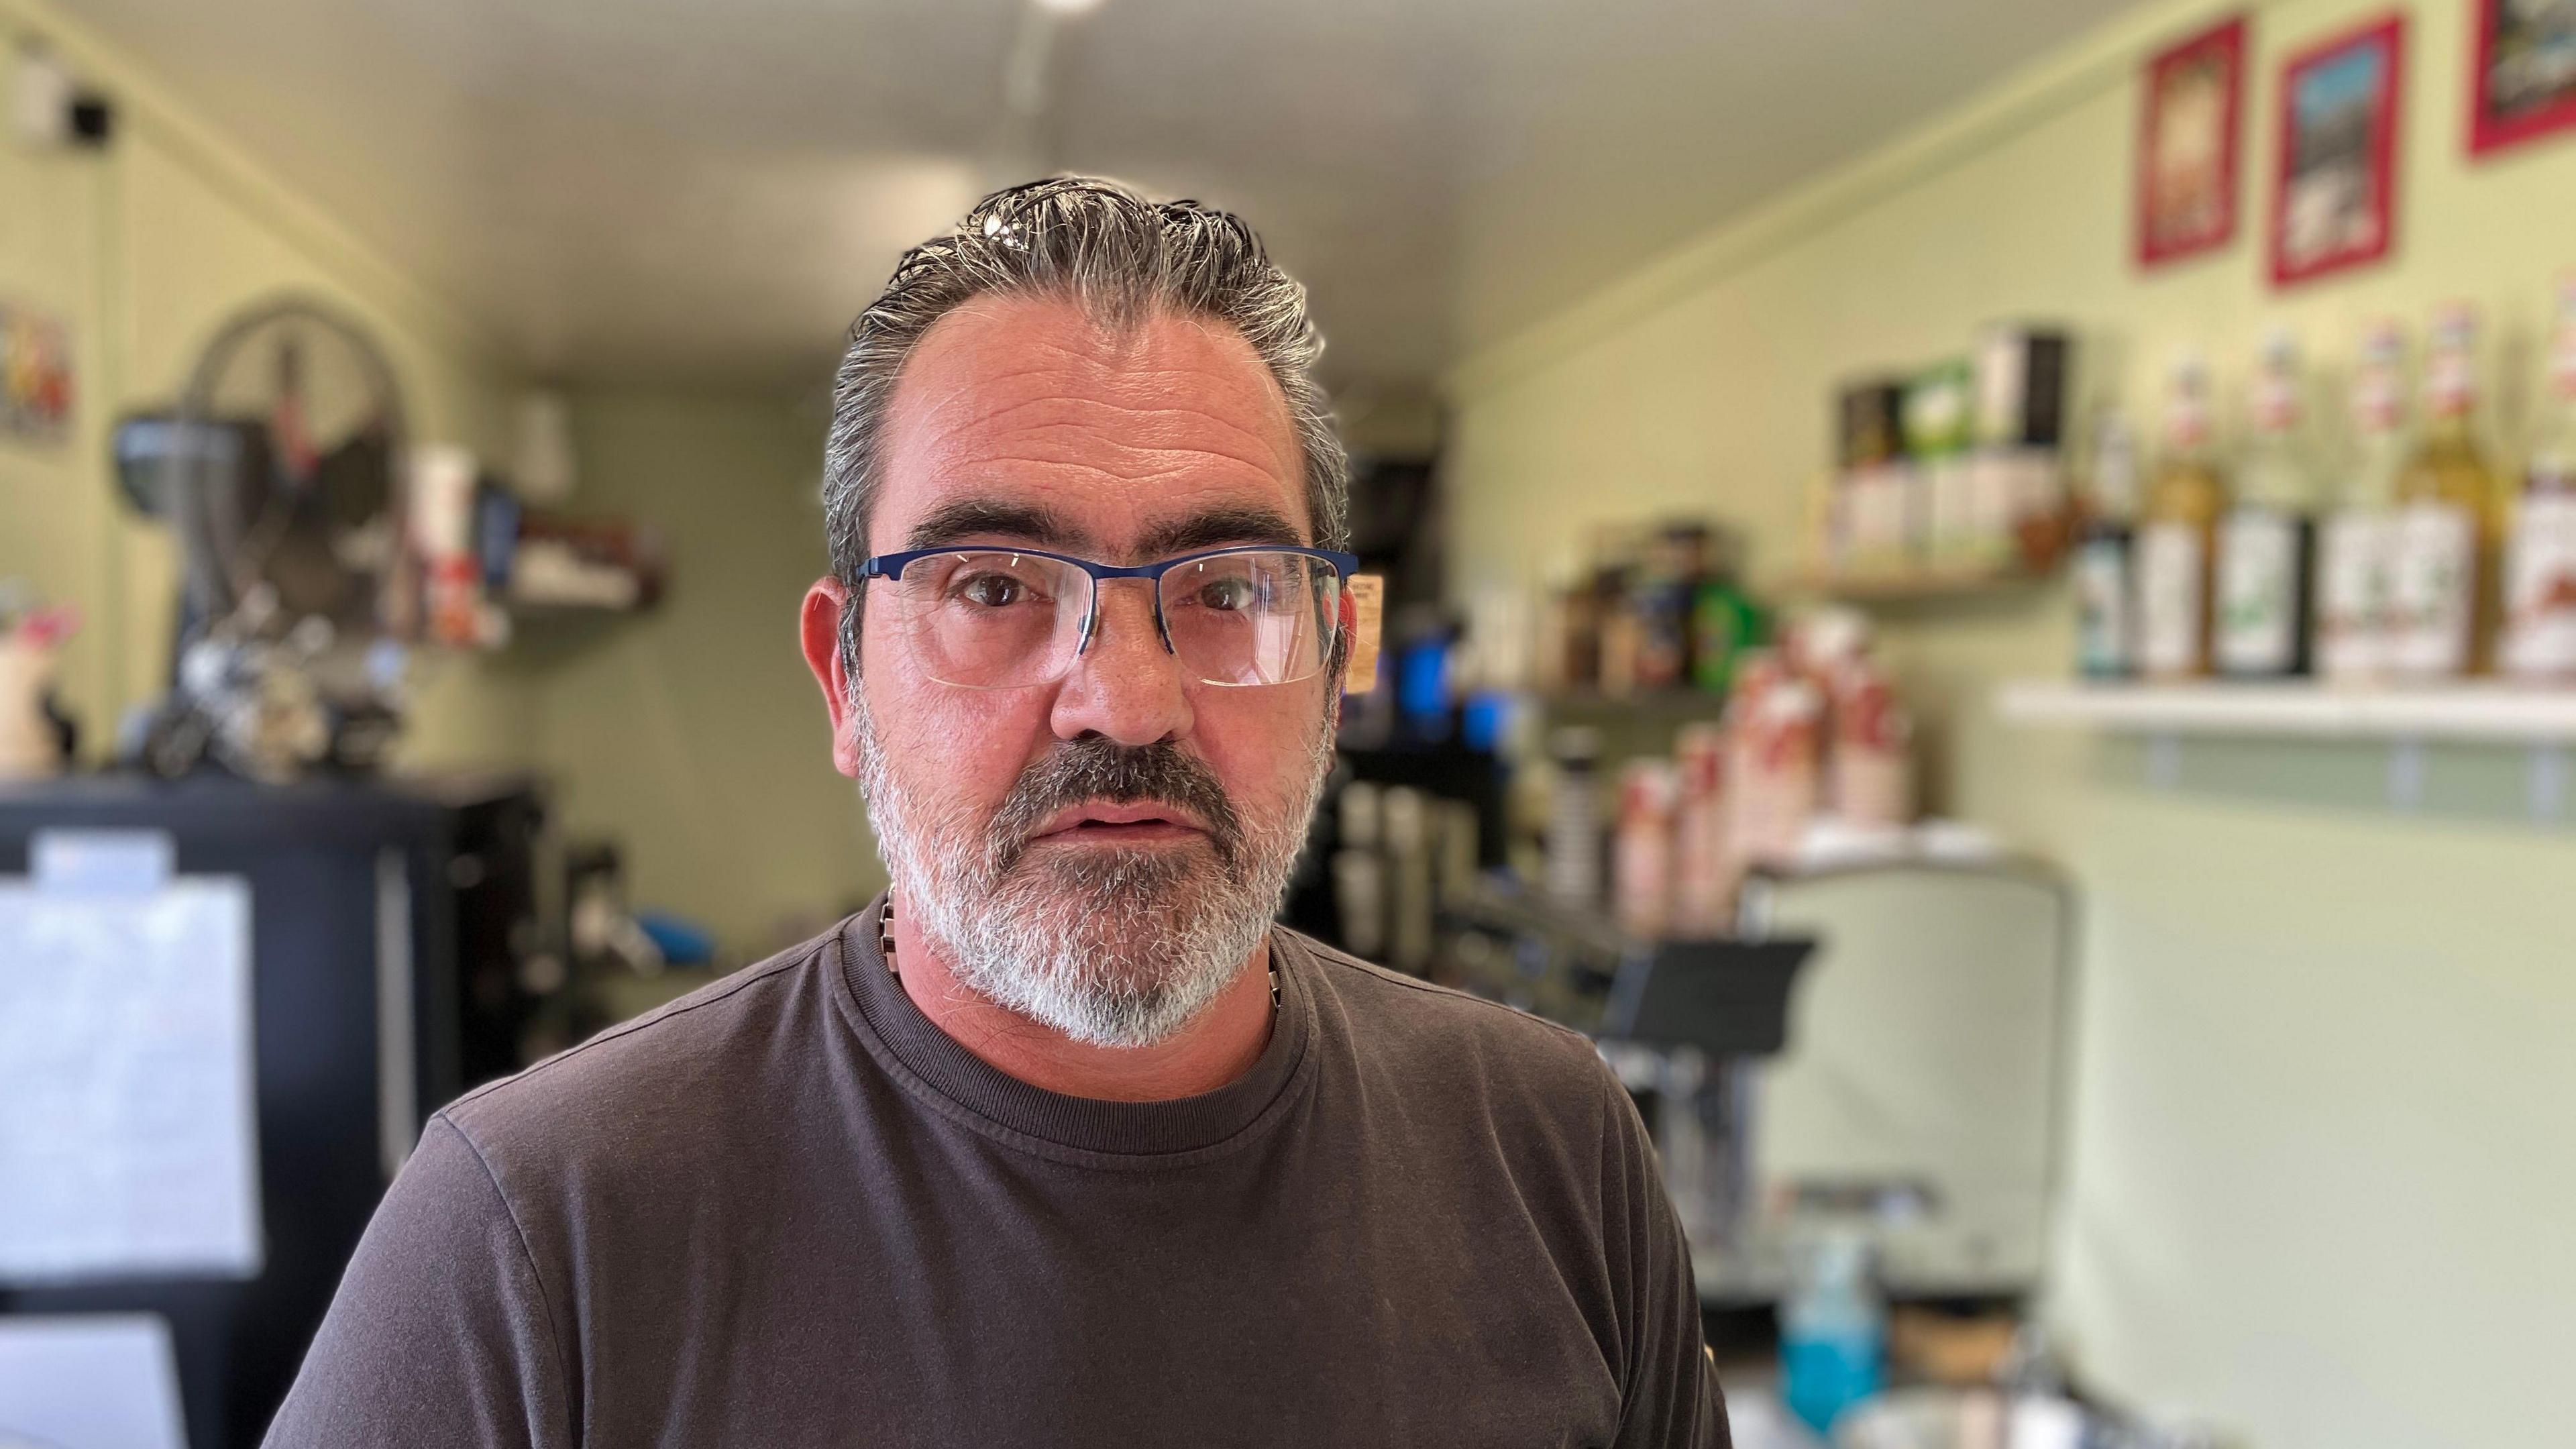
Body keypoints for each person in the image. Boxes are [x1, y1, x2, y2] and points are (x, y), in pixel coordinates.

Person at [265, 176, 1726, 1448]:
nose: (1124, 702)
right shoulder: (534, 1235)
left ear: (1336, 664)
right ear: (845, 676)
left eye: (1225, 591)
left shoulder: (1554, 1155)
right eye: (991, 588)